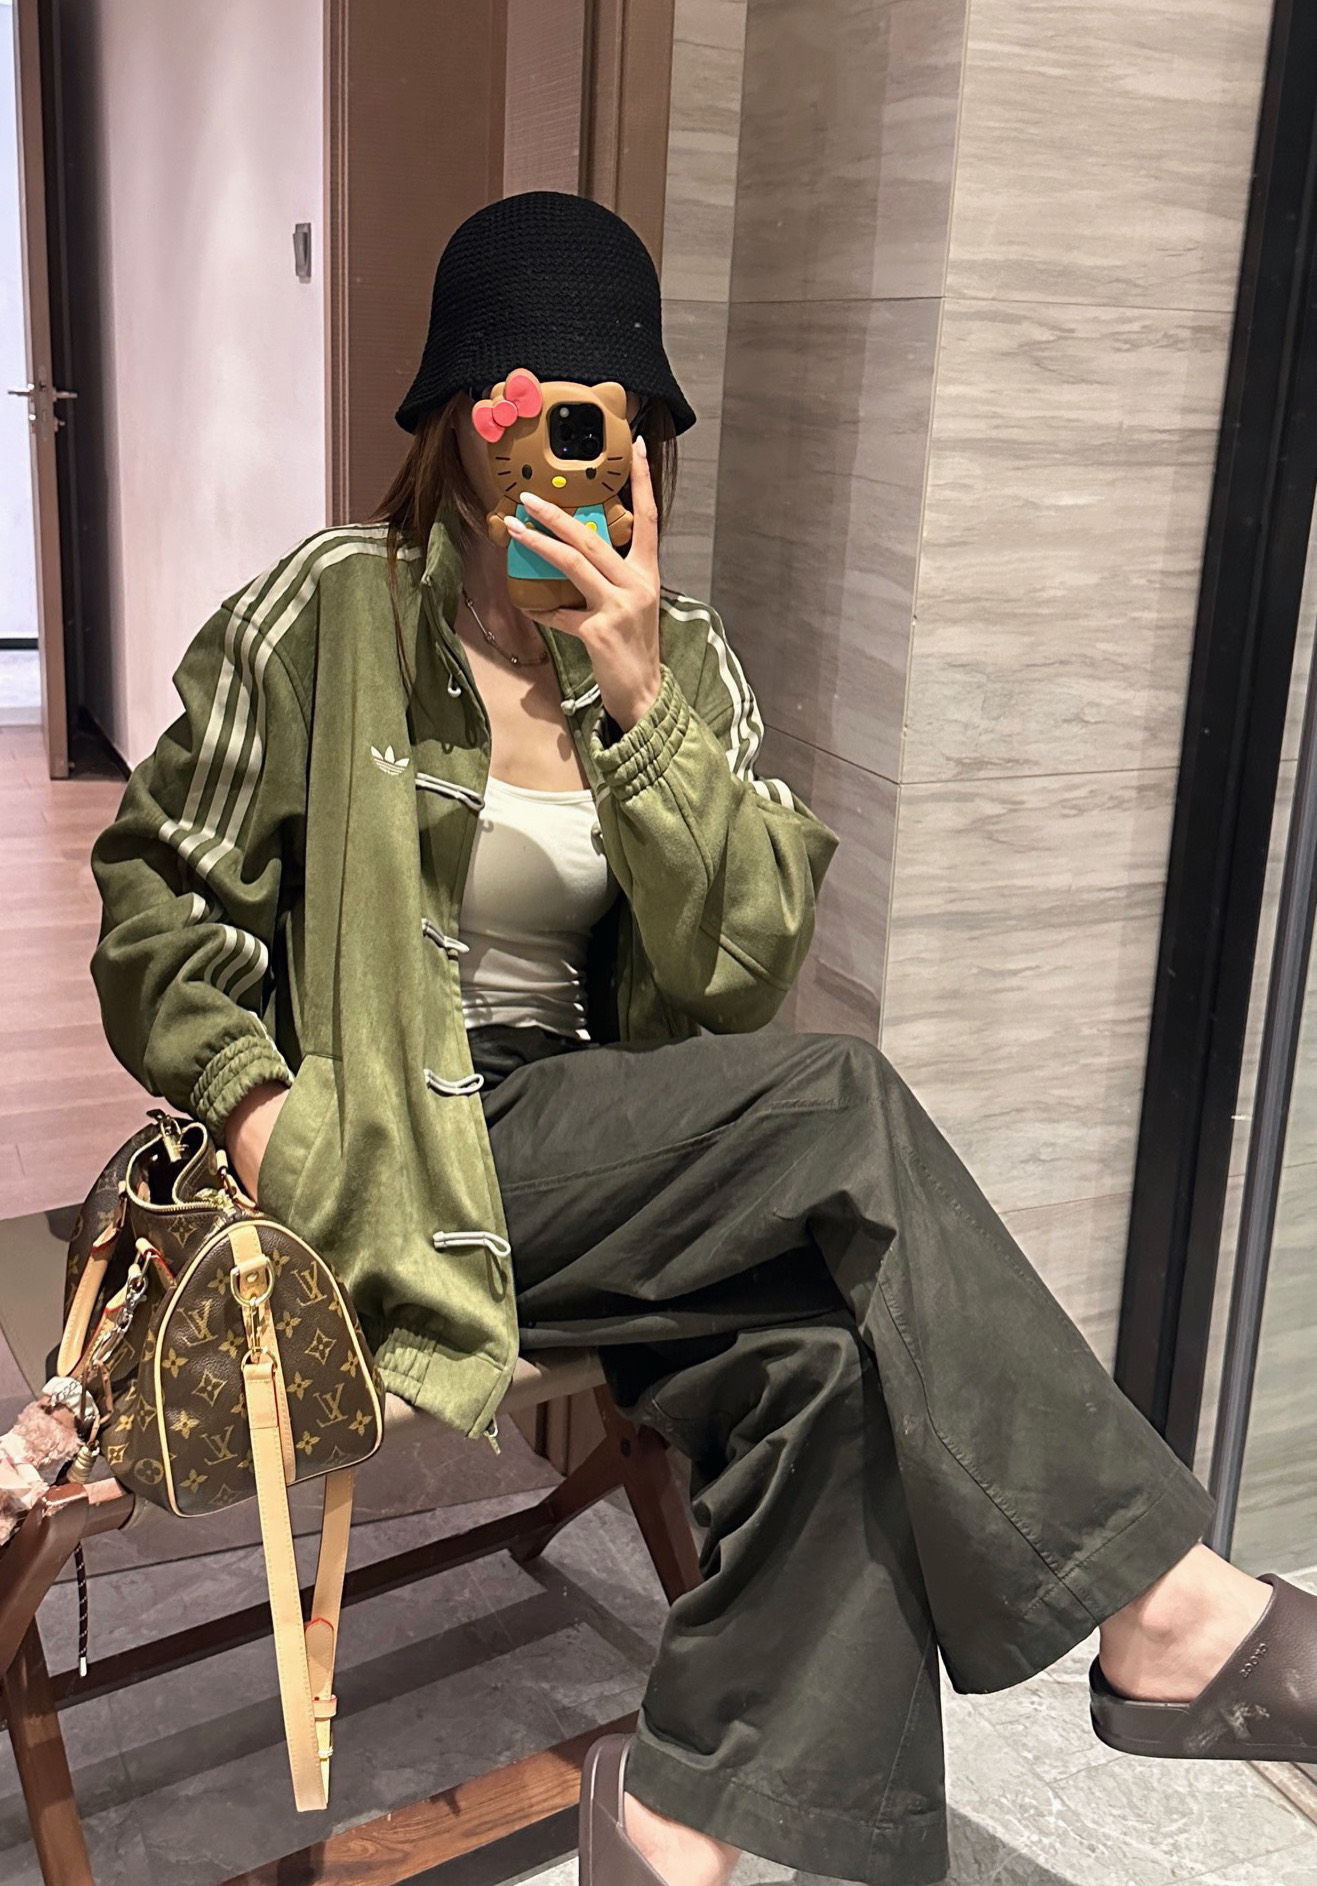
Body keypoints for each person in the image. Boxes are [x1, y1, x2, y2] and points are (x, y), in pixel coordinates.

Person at [87, 191, 1317, 1886]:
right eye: (528, 421)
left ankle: (669, 1825)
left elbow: (734, 975)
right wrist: (258, 1114)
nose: (568, 464)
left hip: (594, 1144)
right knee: (840, 1098)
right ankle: (1162, 1607)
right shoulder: (330, 613)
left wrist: (639, 699)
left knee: (833, 1365)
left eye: (609, 427)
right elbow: (156, 902)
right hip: (386, 1144)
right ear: (454, 426)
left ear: (647, 445)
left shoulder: (681, 660)